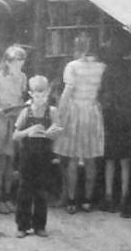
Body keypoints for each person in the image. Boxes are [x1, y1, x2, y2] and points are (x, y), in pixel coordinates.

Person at [53, 35, 106, 213]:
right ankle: (87, 201)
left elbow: (67, 91)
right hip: (92, 111)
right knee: (91, 159)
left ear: (77, 48)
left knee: (73, 159)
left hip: (75, 111)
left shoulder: (72, 67)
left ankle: (71, 200)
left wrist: (59, 114)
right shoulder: (101, 67)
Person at [98, 35, 131, 215]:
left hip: (112, 119)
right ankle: (125, 197)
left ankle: (109, 197)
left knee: (110, 159)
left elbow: (105, 96)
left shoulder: (109, 70)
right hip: (129, 119)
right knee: (126, 161)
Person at [13, 75, 63, 238]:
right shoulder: (25, 112)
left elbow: (58, 132)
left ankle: (40, 225)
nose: (40, 99)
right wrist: (29, 131)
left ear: (48, 93)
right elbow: (15, 135)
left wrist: (50, 134)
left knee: (42, 191)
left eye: (43, 96)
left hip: (45, 155)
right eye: (37, 95)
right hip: (27, 155)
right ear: (30, 94)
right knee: (24, 190)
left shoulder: (52, 112)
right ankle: (22, 225)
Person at [0, 45, 28, 214]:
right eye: (17, 62)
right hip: (2, 120)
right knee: (1, 162)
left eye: (22, 62)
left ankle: (7, 196)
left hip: (16, 119)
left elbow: (22, 96)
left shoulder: (23, 77)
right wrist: (1, 111)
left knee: (11, 161)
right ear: (8, 62)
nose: (20, 66)